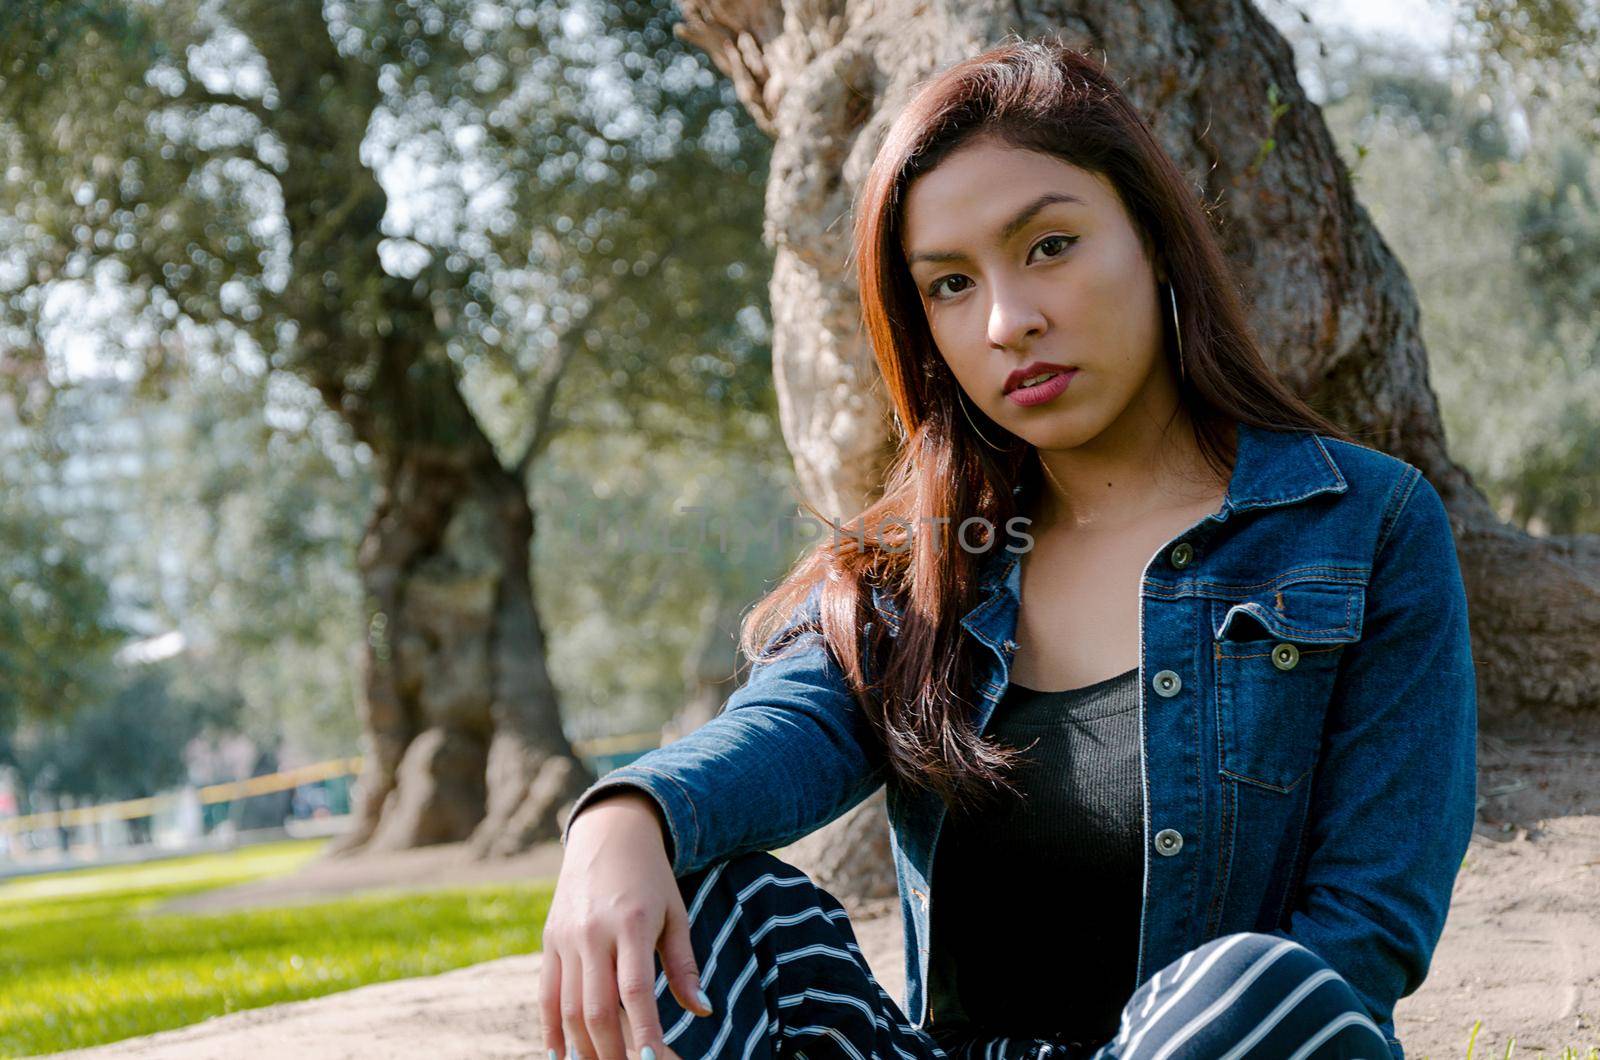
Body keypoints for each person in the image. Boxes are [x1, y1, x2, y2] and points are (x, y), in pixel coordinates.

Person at [542, 35, 1477, 1060]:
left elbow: (1367, 928)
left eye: (1048, 247)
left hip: (1223, 1043)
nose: (1006, 321)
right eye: (948, 285)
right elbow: (779, 728)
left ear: (1154, 240)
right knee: (704, 900)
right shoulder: (915, 571)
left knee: (1262, 984)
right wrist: (626, 814)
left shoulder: (1361, 524)